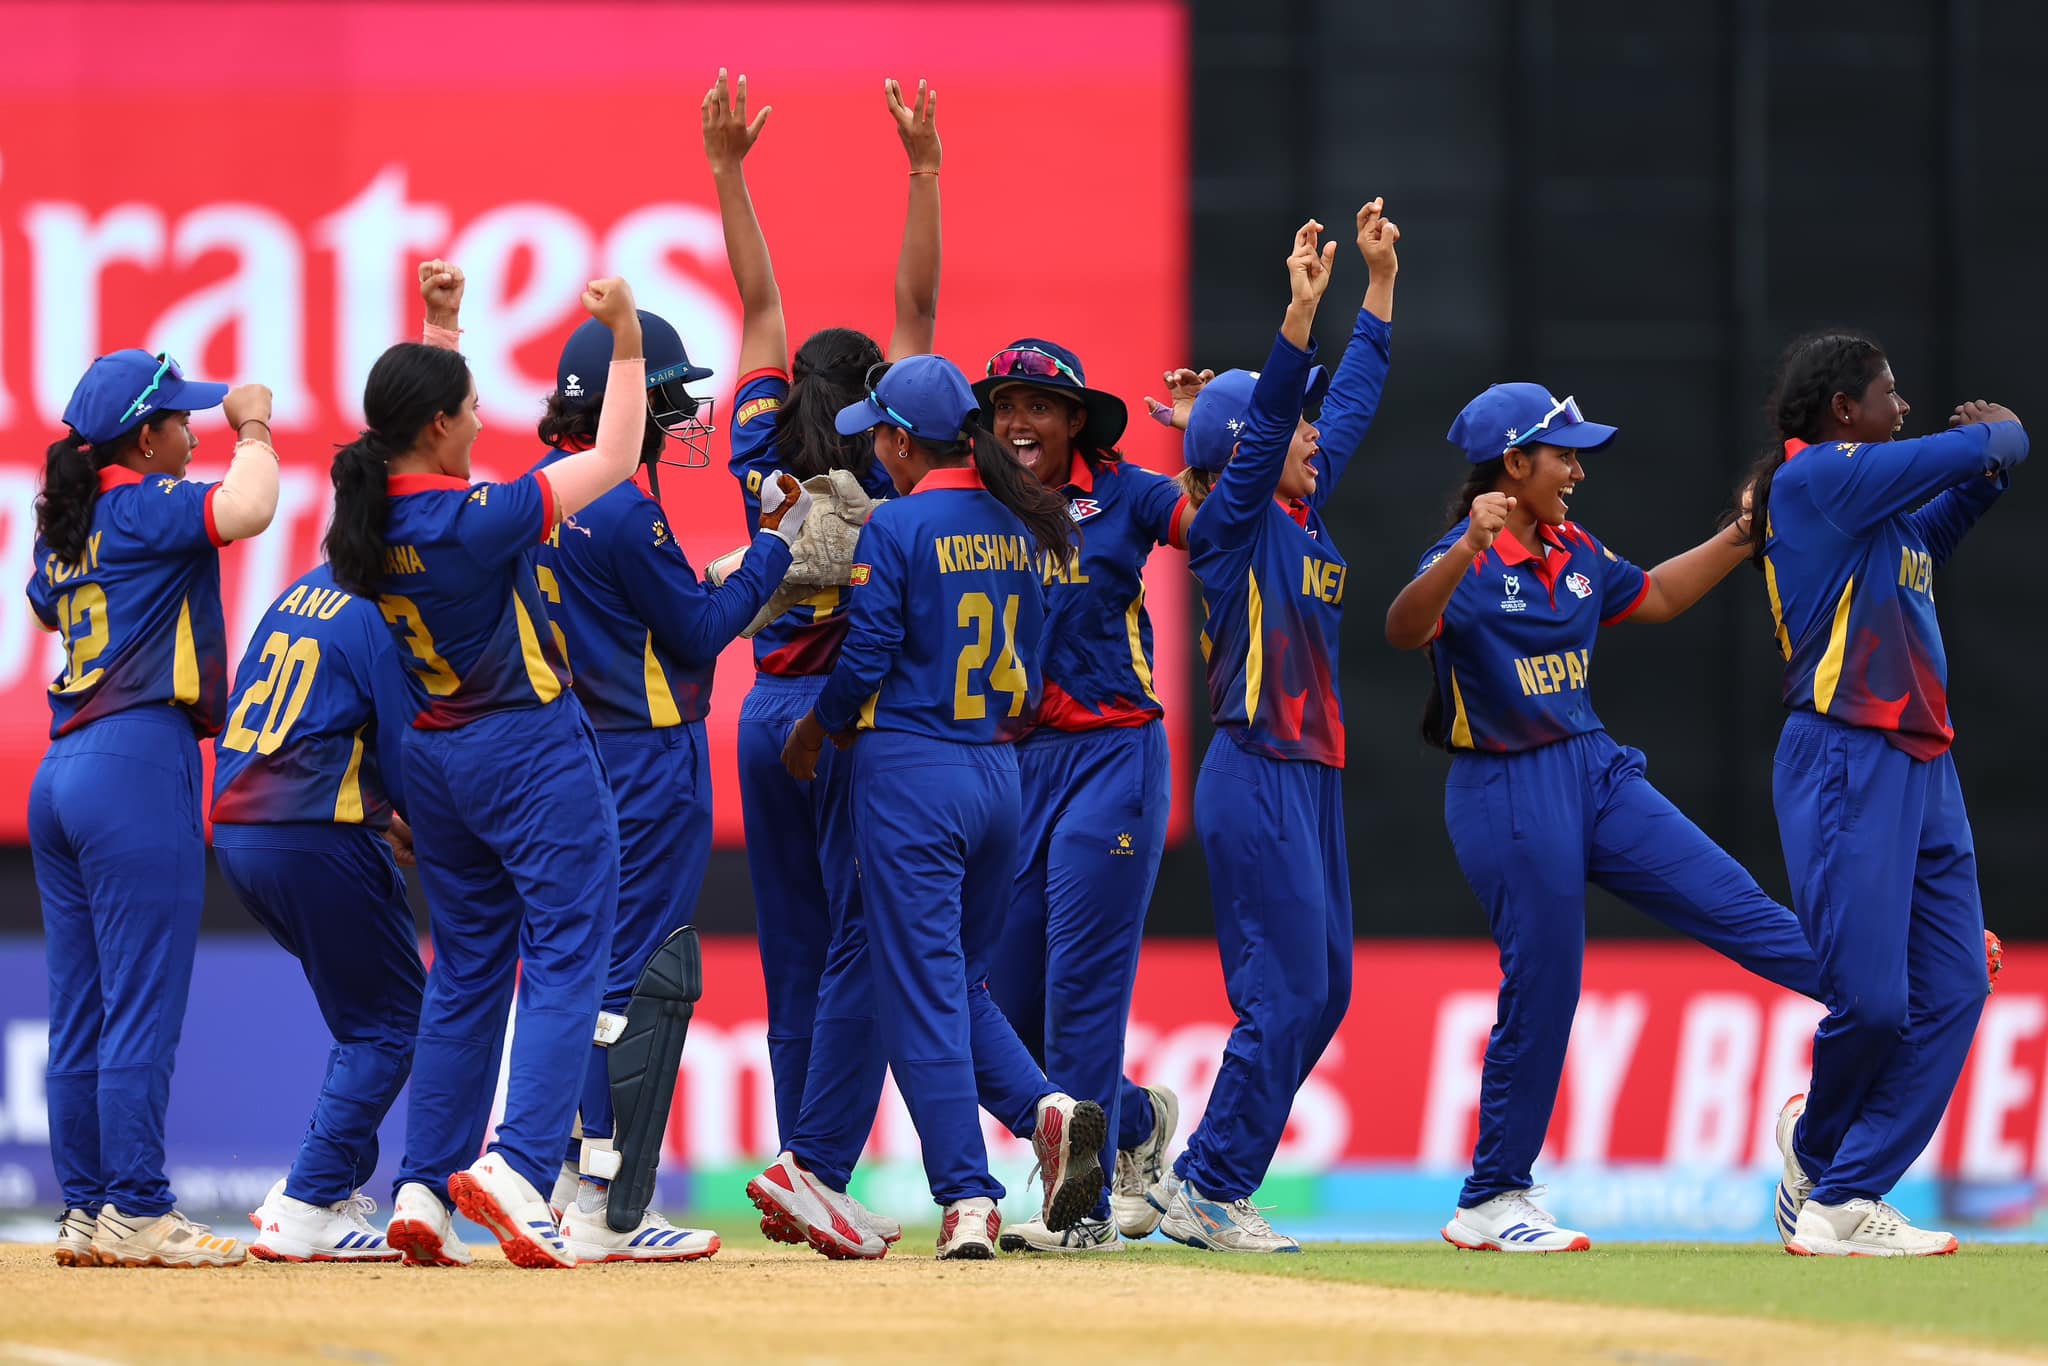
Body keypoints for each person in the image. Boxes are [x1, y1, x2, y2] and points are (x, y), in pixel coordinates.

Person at [1384, 380, 1829, 1253]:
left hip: (1595, 770)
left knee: (1739, 907)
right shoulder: (1464, 557)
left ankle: (1895, 989)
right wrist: (1464, 549)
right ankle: (1492, 1198)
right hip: (1506, 786)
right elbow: (1403, 630)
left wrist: (1746, 533)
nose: (1578, 472)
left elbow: (1653, 596)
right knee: (1546, 985)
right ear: (1515, 464)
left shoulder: (1574, 548)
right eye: (1564, 456)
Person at [326, 267, 647, 1270]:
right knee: (567, 954)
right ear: (436, 426)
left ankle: (424, 1188)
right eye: (468, 407)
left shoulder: (371, 523)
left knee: (466, 971)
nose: (478, 418)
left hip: (436, 759)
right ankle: (517, 1168)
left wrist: (443, 326)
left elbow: (421, 424)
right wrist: (627, 336)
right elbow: (618, 453)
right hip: (527, 750)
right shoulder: (477, 519)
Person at [776, 355, 1108, 1259]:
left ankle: (967, 1196)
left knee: (922, 993)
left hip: (911, 772)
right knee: (957, 982)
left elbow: (868, 651)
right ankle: (1043, 1109)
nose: (873, 454)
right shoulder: (1027, 522)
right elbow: (1037, 665)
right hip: (998, 773)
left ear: (898, 440)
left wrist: (817, 729)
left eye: (877, 438)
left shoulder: (897, 524)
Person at [703, 68, 939, 1257]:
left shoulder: (758, 439)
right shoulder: (887, 462)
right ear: (875, 406)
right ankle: (815, 1167)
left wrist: (727, 171)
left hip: (760, 715)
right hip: (847, 722)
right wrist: (923, 169)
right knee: (863, 944)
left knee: (794, 950)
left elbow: (757, 302)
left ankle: (803, 1172)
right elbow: (917, 309)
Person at [532, 279, 803, 1262]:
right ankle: (608, 1207)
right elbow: (693, 633)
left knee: (582, 967)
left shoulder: (545, 490)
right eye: (671, 397)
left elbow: (646, 607)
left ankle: (568, 1182)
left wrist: (722, 573)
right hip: (650, 759)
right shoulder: (623, 507)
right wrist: (774, 552)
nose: (684, 416)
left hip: (571, 752)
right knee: (633, 977)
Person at [1139, 208, 1393, 1253]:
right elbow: (1276, 417)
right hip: (1254, 769)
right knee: (1284, 995)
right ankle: (1208, 1186)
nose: (1313, 436)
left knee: (1323, 992)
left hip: (1309, 774)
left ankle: (1205, 1174)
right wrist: (1297, 315)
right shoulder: (1234, 526)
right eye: (1294, 427)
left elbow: (1346, 407)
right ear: (1246, 451)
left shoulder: (1300, 506)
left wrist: (1378, 288)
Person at [1744, 332, 2026, 1257]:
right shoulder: (1817, 478)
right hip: (1846, 753)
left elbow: (1943, 517)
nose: (1901, 409)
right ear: (1843, 412)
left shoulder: (1880, 514)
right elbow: (1981, 447)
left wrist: (1987, 478)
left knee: (1955, 989)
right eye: (1888, 394)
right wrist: (2000, 437)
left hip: (1923, 764)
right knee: (1870, 1002)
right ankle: (1819, 1148)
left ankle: (1843, 1194)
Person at [30, 349, 281, 1268]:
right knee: (138, 1004)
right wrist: (254, 423)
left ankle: (87, 1207)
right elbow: (250, 507)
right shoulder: (139, 503)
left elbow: (47, 607)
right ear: (144, 439)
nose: (193, 432)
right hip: (136, 760)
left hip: (63, 768)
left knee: (82, 1009)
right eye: (181, 421)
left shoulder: (70, 522)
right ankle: (135, 1207)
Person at [970, 338, 1190, 1252]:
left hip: (1113, 757)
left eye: (1038, 406)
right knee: (1003, 1007)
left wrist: (1220, 440)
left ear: (1074, 420)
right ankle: (1134, 1122)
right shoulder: (976, 503)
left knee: (1081, 995)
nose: (1018, 422)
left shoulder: (1130, 492)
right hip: (1017, 768)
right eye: (1005, 406)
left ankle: (1084, 1211)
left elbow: (1219, 525)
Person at [213, 555, 421, 1264]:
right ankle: (309, 1198)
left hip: (241, 836)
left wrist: (378, 811)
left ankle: (321, 1188)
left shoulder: (300, 591)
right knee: (390, 1024)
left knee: (367, 1020)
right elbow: (406, 751)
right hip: (316, 836)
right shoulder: (387, 604)